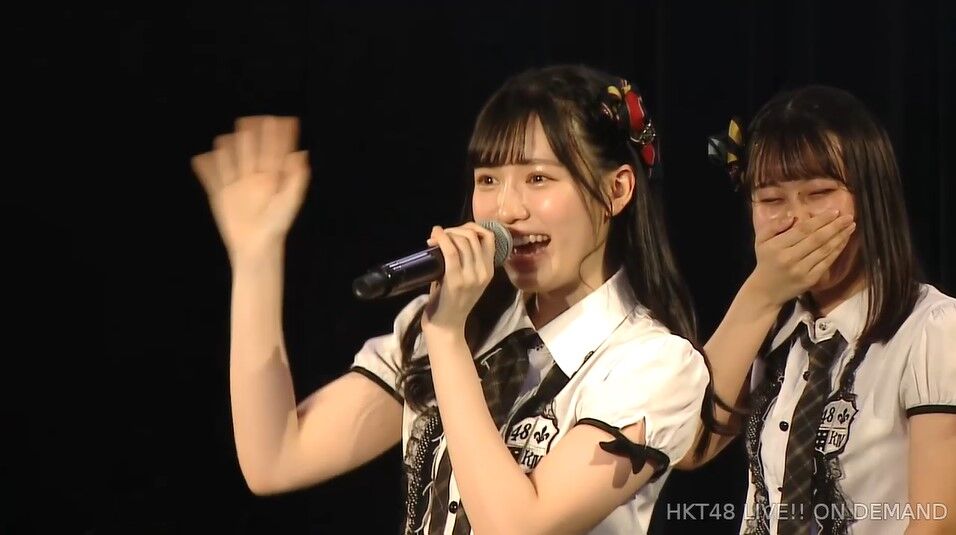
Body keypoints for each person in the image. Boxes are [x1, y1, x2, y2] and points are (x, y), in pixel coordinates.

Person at [191, 64, 716, 534]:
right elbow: (276, 458)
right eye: (488, 179)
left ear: (617, 190)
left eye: (538, 178)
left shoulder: (653, 365)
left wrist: (446, 337)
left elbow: (516, 527)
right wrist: (256, 257)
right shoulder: (459, 324)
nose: (506, 210)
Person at [680, 85, 956, 535]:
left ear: (870, 198)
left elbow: (937, 524)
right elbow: (688, 443)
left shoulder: (933, 328)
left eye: (820, 193)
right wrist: (759, 296)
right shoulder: (770, 327)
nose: (796, 219)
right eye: (771, 200)